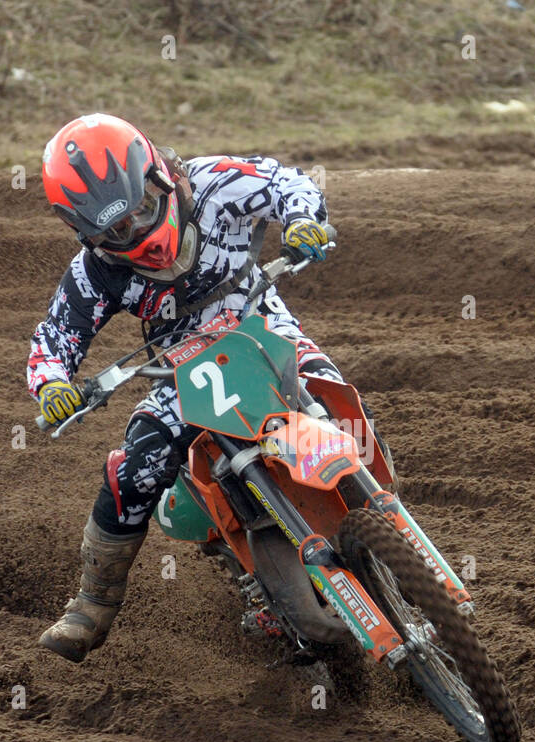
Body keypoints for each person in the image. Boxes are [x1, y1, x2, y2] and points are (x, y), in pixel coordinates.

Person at [29, 113, 340, 663]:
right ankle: (92, 606)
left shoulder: (218, 184)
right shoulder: (96, 272)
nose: (141, 232)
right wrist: (53, 386)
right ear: (88, 234)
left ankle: (378, 512)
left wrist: (302, 221)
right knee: (138, 462)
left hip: (264, 327)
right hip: (187, 368)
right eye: (118, 231)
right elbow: (55, 337)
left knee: (332, 394)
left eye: (145, 209)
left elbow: (290, 182)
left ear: (159, 176)